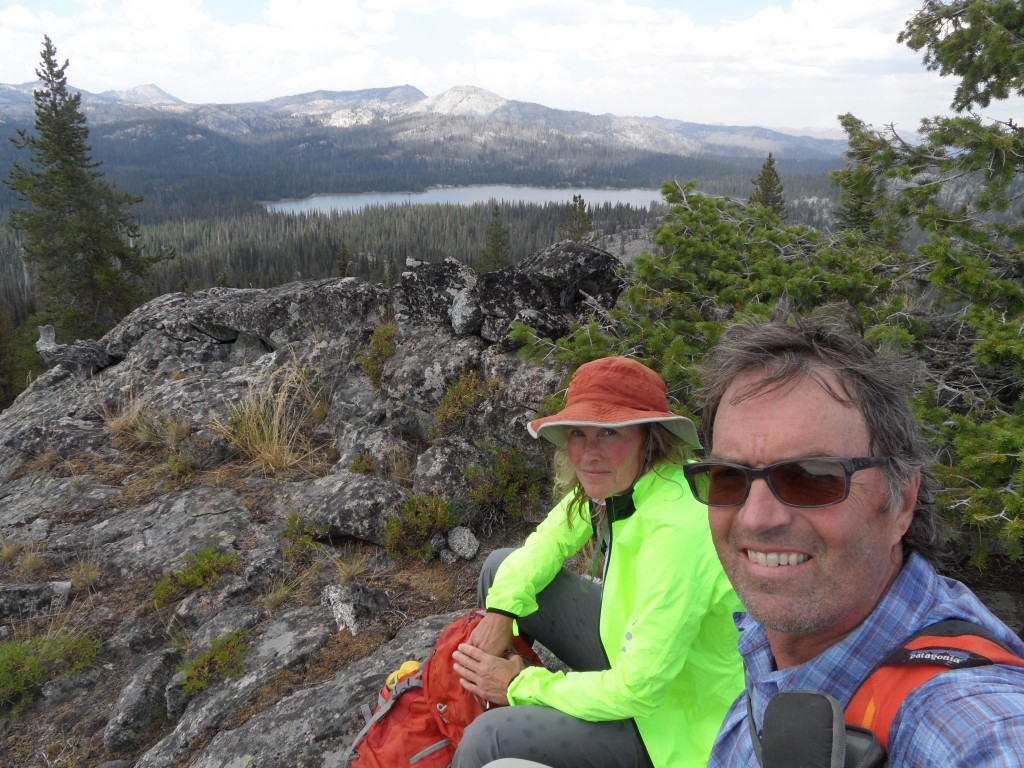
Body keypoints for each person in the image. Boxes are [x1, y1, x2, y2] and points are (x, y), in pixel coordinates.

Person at [679, 307, 1024, 767]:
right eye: (727, 477)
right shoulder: (771, 651)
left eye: (810, 476)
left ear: (902, 501)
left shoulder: (972, 729)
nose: (757, 517)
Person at [450, 356, 745, 768]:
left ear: (650, 438)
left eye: (610, 432)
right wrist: (501, 611)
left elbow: (638, 691)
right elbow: (548, 541)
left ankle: (505, 718)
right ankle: (492, 700)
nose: (589, 453)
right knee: (502, 571)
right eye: (577, 433)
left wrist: (522, 684)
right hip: (633, 656)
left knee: (489, 740)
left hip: (674, 730)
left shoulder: (678, 527)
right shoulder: (625, 482)